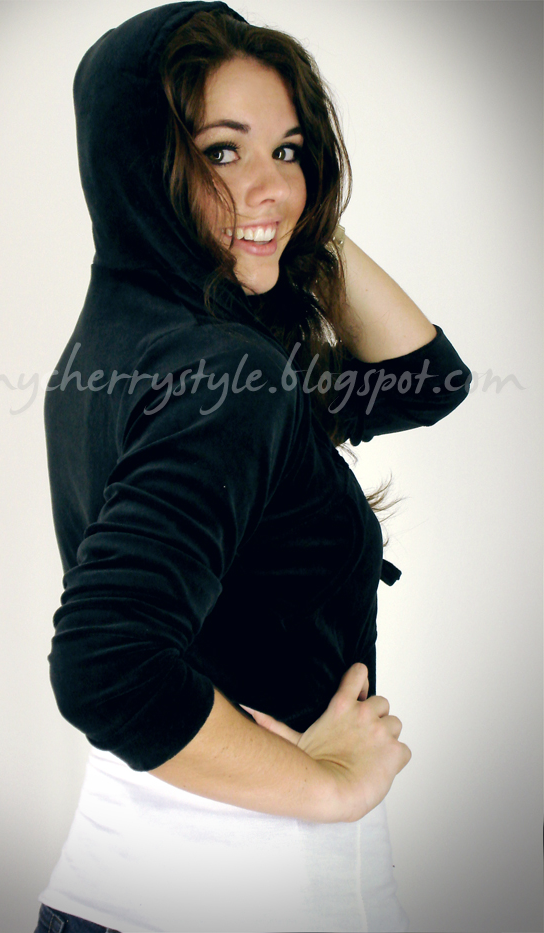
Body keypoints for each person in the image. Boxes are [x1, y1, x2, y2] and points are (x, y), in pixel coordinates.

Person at [35, 3, 471, 932]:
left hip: (127, 878)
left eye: (290, 148)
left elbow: (426, 378)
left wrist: (280, 223)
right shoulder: (226, 371)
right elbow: (107, 667)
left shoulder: (121, 342)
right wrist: (330, 787)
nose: (271, 182)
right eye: (223, 151)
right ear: (138, 165)